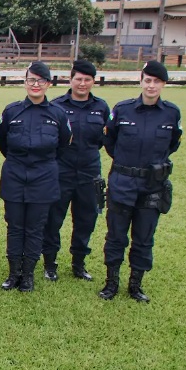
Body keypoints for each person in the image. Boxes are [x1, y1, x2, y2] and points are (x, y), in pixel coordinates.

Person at [99, 61, 182, 302]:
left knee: (144, 237)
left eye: (156, 81)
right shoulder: (122, 109)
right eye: (148, 80)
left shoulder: (171, 113)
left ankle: (135, 285)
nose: (151, 86)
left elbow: (173, 143)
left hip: (152, 186)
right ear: (141, 81)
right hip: (122, 182)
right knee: (116, 236)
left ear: (163, 84)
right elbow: (110, 141)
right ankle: (111, 283)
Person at [0, 62, 72, 292]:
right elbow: (2, 141)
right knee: (15, 226)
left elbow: (63, 144)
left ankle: (28, 275)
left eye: (40, 80)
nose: (35, 84)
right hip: (15, 174)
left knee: (35, 228)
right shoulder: (12, 111)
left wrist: (41, 163)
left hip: (44, 177)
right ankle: (13, 273)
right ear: (25, 82)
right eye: (31, 80)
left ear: (48, 84)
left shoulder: (58, 114)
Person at [42, 59, 111, 282]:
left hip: (89, 173)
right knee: (53, 219)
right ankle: (50, 264)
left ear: (93, 81)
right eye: (78, 79)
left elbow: (104, 140)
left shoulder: (101, 108)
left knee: (86, 220)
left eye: (87, 79)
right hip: (61, 172)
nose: (82, 83)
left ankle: (78, 264)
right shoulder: (56, 106)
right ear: (70, 80)